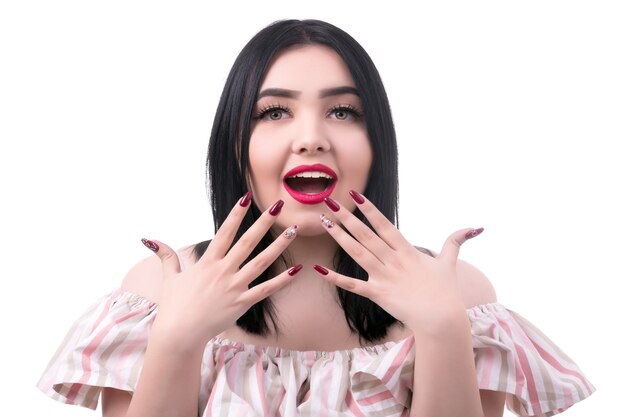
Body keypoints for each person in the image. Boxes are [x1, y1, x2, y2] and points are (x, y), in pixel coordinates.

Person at [37, 19, 594, 417]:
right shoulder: (160, 288)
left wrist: (444, 332)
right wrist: (177, 339)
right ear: (236, 144)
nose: (311, 137)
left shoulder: (459, 292)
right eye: (274, 111)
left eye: (343, 111)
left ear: (377, 145)